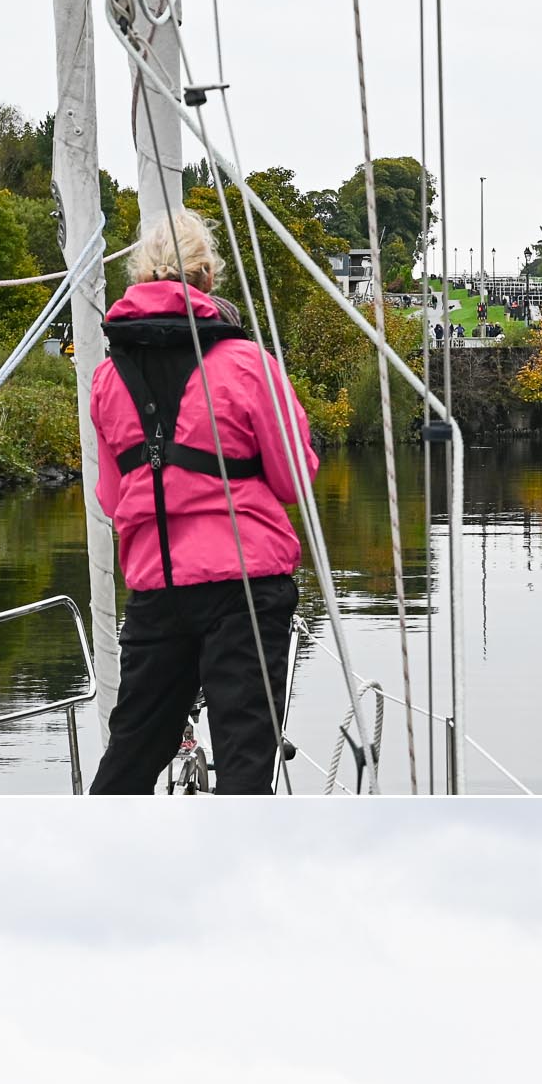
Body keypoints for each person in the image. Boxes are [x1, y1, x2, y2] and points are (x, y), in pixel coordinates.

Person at [86, 208, 322, 797]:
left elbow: (113, 499)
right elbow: (295, 481)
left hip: (157, 590)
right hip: (245, 586)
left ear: (140, 278)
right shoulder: (248, 365)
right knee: (246, 757)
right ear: (208, 280)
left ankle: (89, 867)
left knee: (133, 752)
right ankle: (237, 875)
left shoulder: (108, 378)